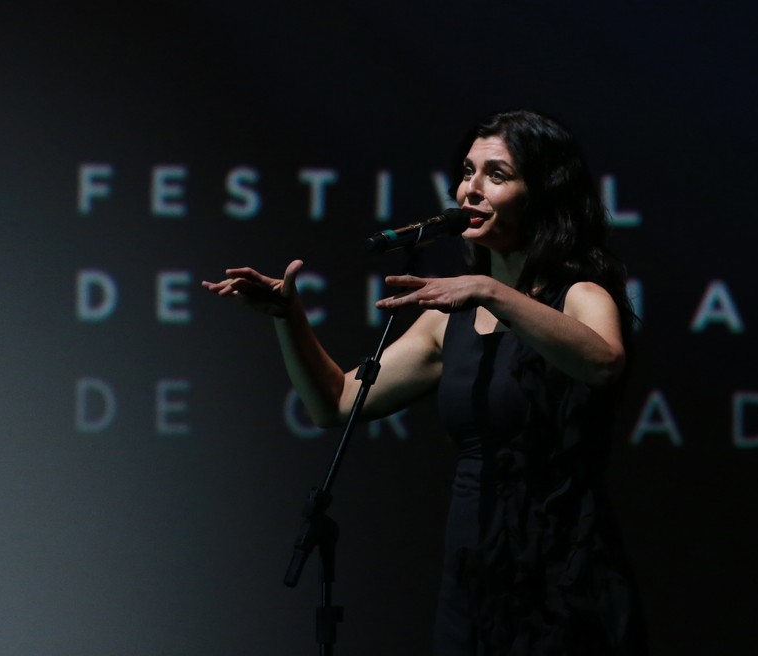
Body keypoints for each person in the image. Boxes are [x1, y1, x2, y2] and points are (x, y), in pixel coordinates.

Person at [203, 110, 647, 655]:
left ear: (545, 194)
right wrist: (286, 316)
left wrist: (492, 292)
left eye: (497, 175)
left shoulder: (580, 295)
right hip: (473, 565)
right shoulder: (446, 321)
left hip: (563, 566)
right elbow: (336, 404)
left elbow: (603, 362)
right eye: (466, 171)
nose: (470, 190)